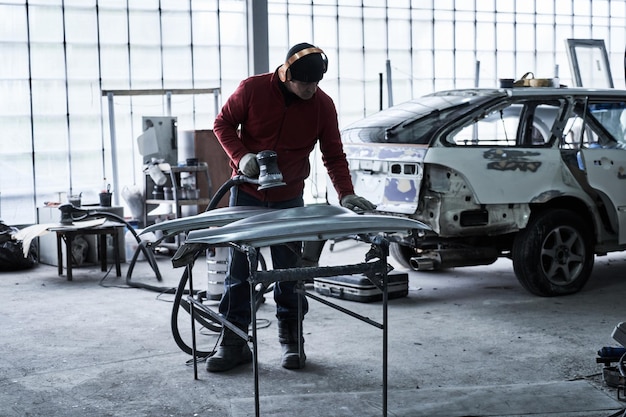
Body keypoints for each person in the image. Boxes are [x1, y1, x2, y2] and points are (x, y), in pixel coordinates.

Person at [207, 42, 376, 372]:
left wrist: (345, 194)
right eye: (305, 84)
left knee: (290, 275)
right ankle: (233, 343)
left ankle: (292, 343)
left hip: (289, 199)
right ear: (286, 75)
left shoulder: (322, 105)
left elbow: (333, 154)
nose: (312, 90)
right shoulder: (252, 89)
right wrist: (242, 156)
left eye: (317, 83)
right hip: (247, 195)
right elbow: (222, 124)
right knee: (239, 274)